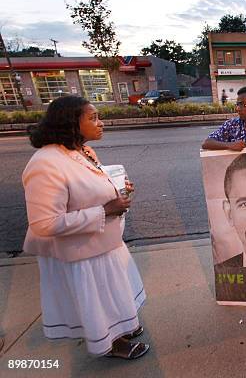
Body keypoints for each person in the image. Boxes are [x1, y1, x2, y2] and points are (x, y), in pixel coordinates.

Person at [22, 96, 150, 360]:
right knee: (98, 304)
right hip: (80, 254)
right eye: (93, 118)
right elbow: (44, 224)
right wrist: (104, 211)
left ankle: (121, 329)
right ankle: (110, 343)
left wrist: (117, 190)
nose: (101, 123)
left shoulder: (82, 151)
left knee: (114, 296)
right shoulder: (45, 163)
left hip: (102, 244)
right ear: (71, 123)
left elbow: (88, 187)